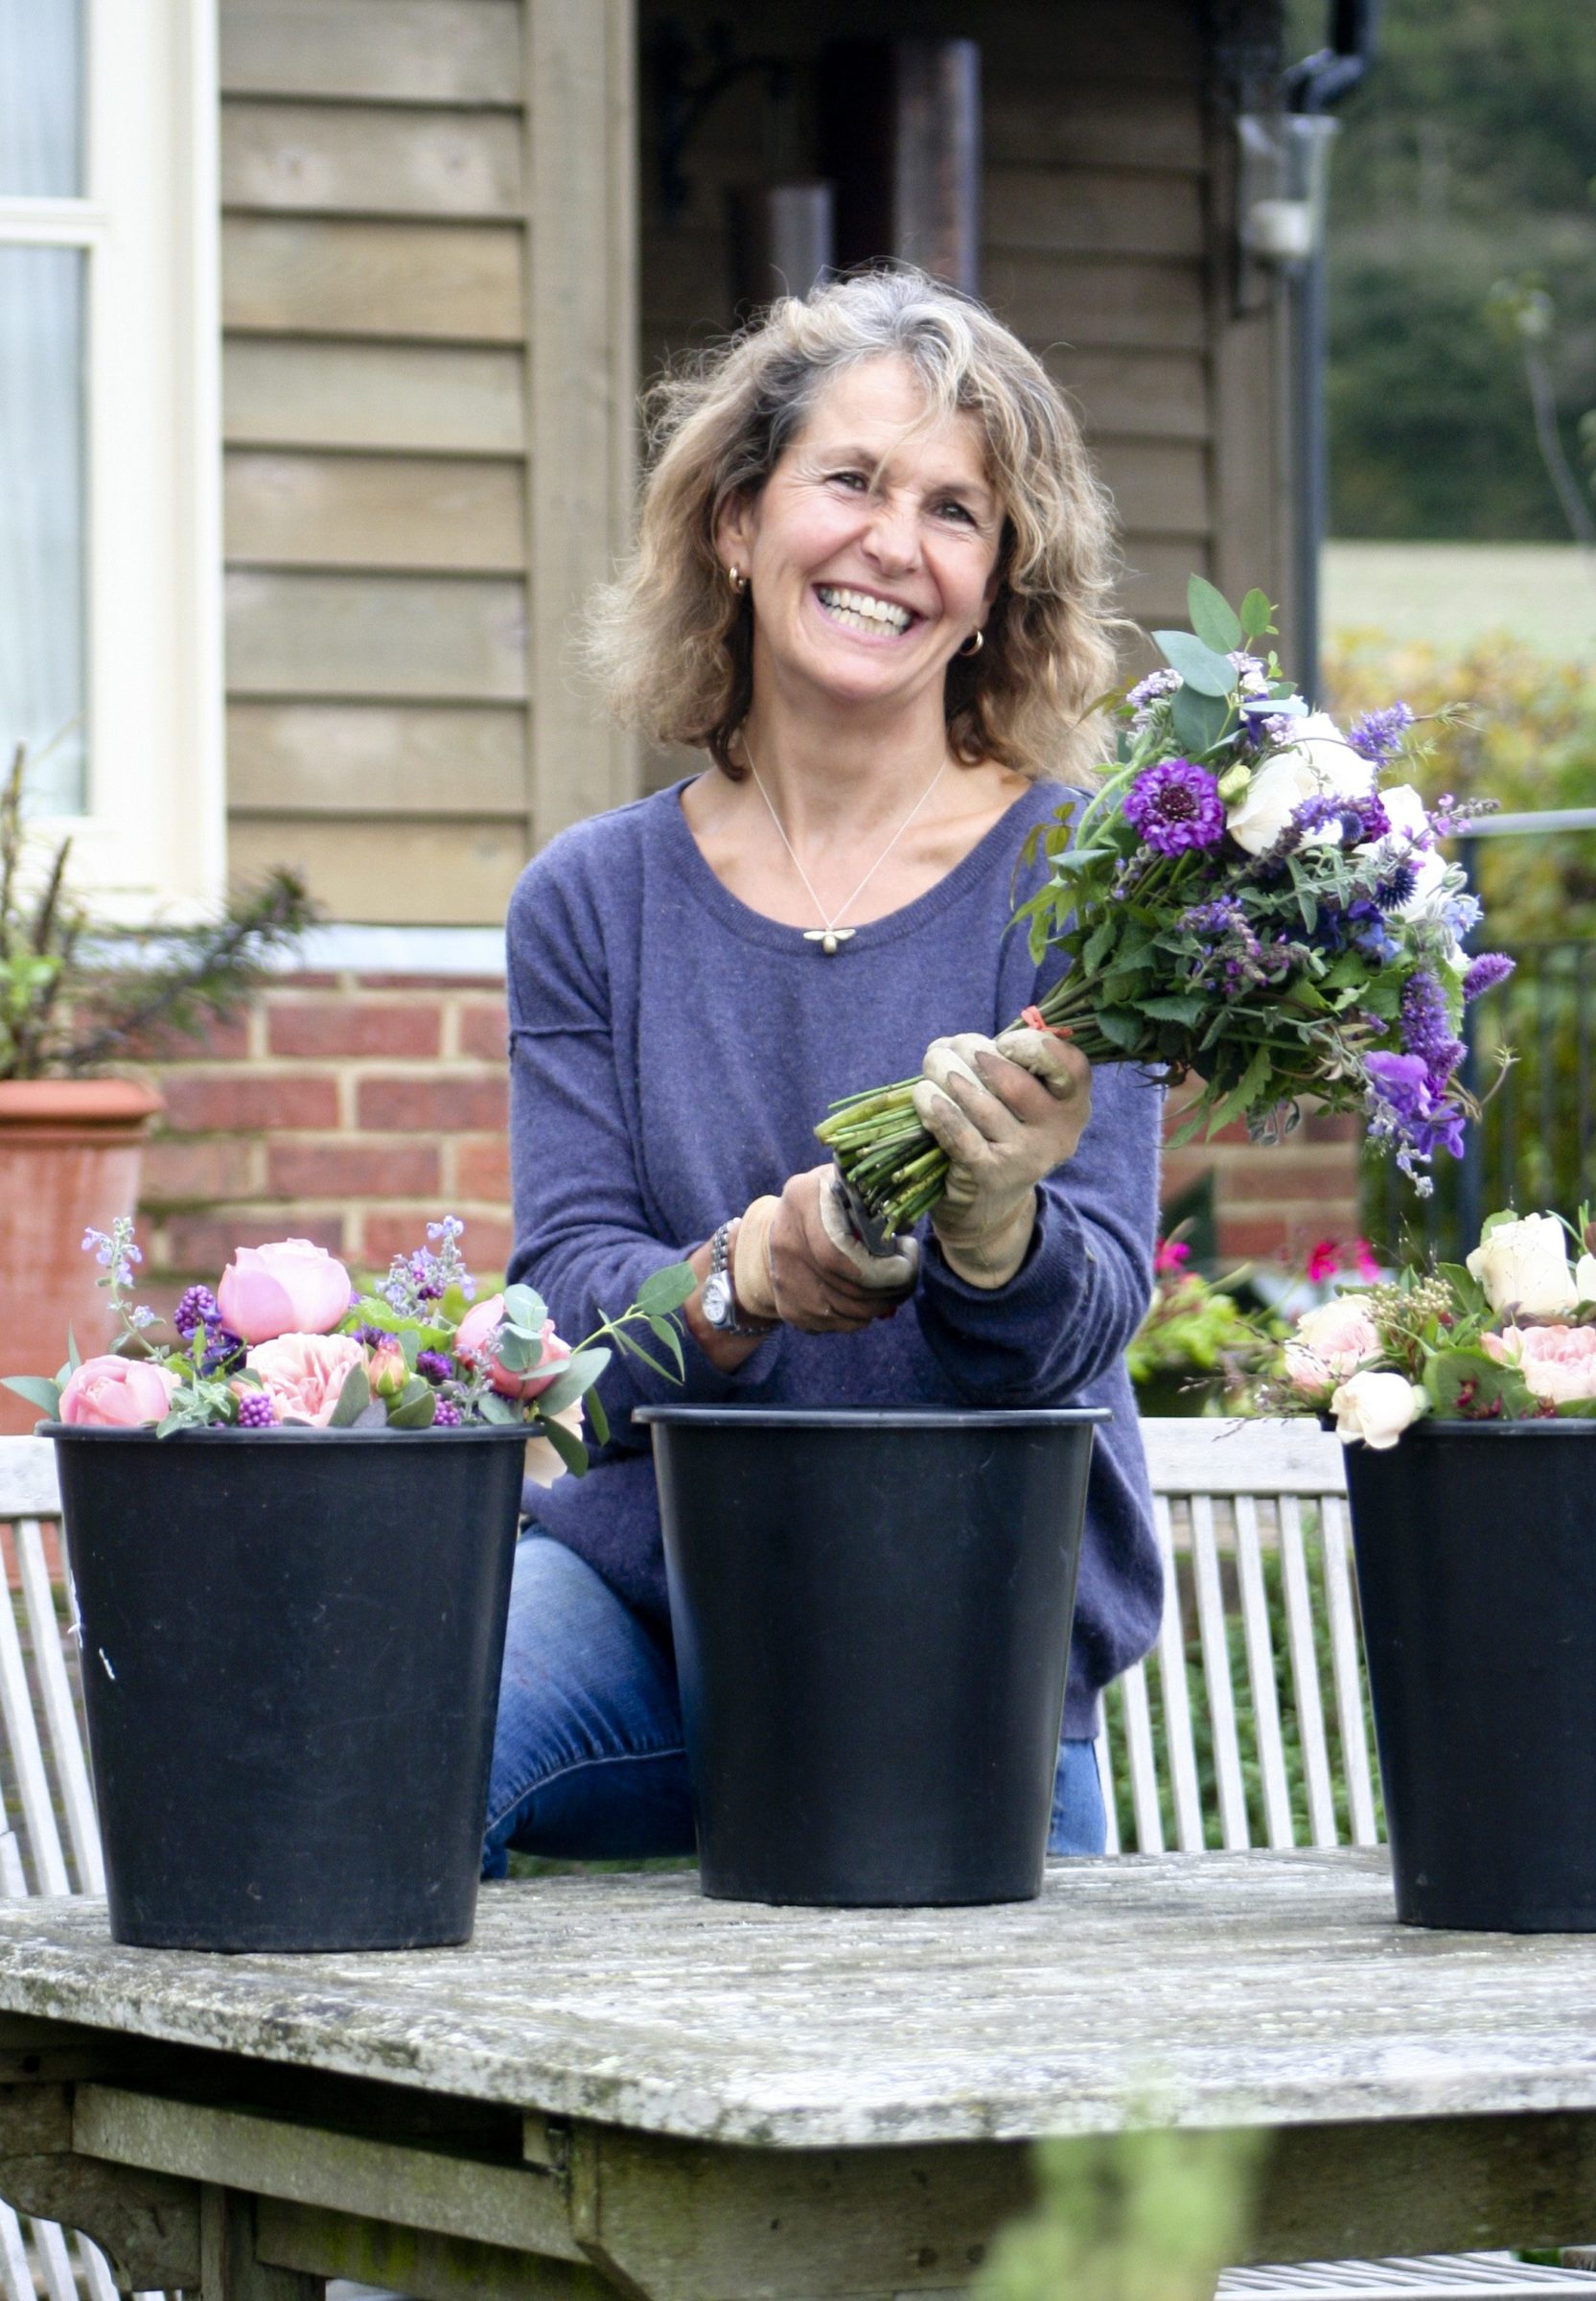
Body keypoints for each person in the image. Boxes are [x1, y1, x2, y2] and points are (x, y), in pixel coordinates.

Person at [481, 266, 1164, 1877]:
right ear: (734, 521)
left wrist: (995, 1224)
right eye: (849, 480)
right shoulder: (591, 900)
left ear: (997, 583)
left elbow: (1088, 1317)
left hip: (962, 1638)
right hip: (649, 1602)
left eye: (953, 512)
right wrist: (748, 1276)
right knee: (390, 1722)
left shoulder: (1084, 885)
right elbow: (568, 1310)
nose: (890, 544)